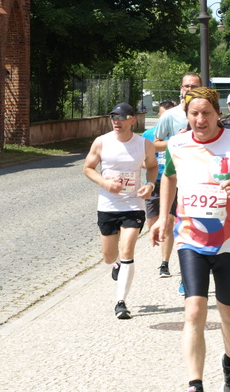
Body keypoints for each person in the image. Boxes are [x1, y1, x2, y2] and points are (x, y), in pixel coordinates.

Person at [150, 87, 230, 392]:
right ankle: (195, 389)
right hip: (191, 240)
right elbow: (168, 178)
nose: (200, 120)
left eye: (206, 113)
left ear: (218, 114)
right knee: (194, 311)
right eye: (193, 114)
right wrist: (163, 216)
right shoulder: (177, 144)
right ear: (185, 116)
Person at [83, 103, 158, 319]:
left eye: (122, 117)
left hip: (133, 205)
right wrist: (105, 183)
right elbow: (88, 168)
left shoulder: (144, 144)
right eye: (113, 117)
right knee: (108, 257)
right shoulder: (102, 142)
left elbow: (152, 167)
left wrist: (150, 185)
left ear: (132, 120)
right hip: (108, 205)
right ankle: (115, 264)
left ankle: (121, 302)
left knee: (127, 252)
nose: (117, 121)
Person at [154, 72, 203, 294]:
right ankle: (184, 275)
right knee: (181, 226)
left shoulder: (208, 113)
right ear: (181, 88)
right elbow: (155, 143)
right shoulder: (171, 116)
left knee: (198, 228)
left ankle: (200, 267)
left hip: (203, 178)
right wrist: (176, 140)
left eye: (194, 85)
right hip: (178, 179)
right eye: (186, 85)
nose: (189, 88)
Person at [141, 101, 176, 277]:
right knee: (153, 223)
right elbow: (141, 160)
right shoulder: (148, 135)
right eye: (164, 117)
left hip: (173, 180)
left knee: (168, 221)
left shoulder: (179, 134)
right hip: (154, 182)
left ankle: (165, 263)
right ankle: (161, 251)